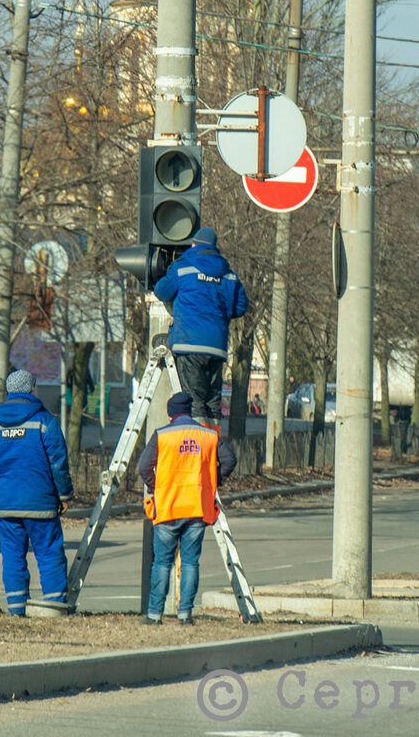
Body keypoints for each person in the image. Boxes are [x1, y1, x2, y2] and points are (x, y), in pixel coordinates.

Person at [0, 369, 74, 616]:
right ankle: (54, 609)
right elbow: (58, 462)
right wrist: (63, 494)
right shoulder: (44, 421)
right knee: (49, 555)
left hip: (6, 505)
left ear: (10, 392)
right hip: (40, 504)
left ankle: (17, 610)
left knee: (12, 558)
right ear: (33, 390)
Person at [138, 391, 237, 625]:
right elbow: (230, 460)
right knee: (191, 562)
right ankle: (185, 615)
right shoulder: (207, 435)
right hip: (196, 508)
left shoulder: (162, 435)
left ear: (171, 413)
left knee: (162, 562)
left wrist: (157, 487)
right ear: (189, 411)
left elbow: (144, 467)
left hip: (168, 508)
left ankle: (154, 615)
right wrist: (213, 482)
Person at [153, 227, 248, 422]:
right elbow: (241, 307)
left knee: (193, 400)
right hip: (216, 347)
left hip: (189, 343)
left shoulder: (182, 268)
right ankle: (213, 445)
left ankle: (198, 448)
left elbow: (161, 291)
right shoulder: (229, 275)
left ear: (194, 244)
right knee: (213, 402)